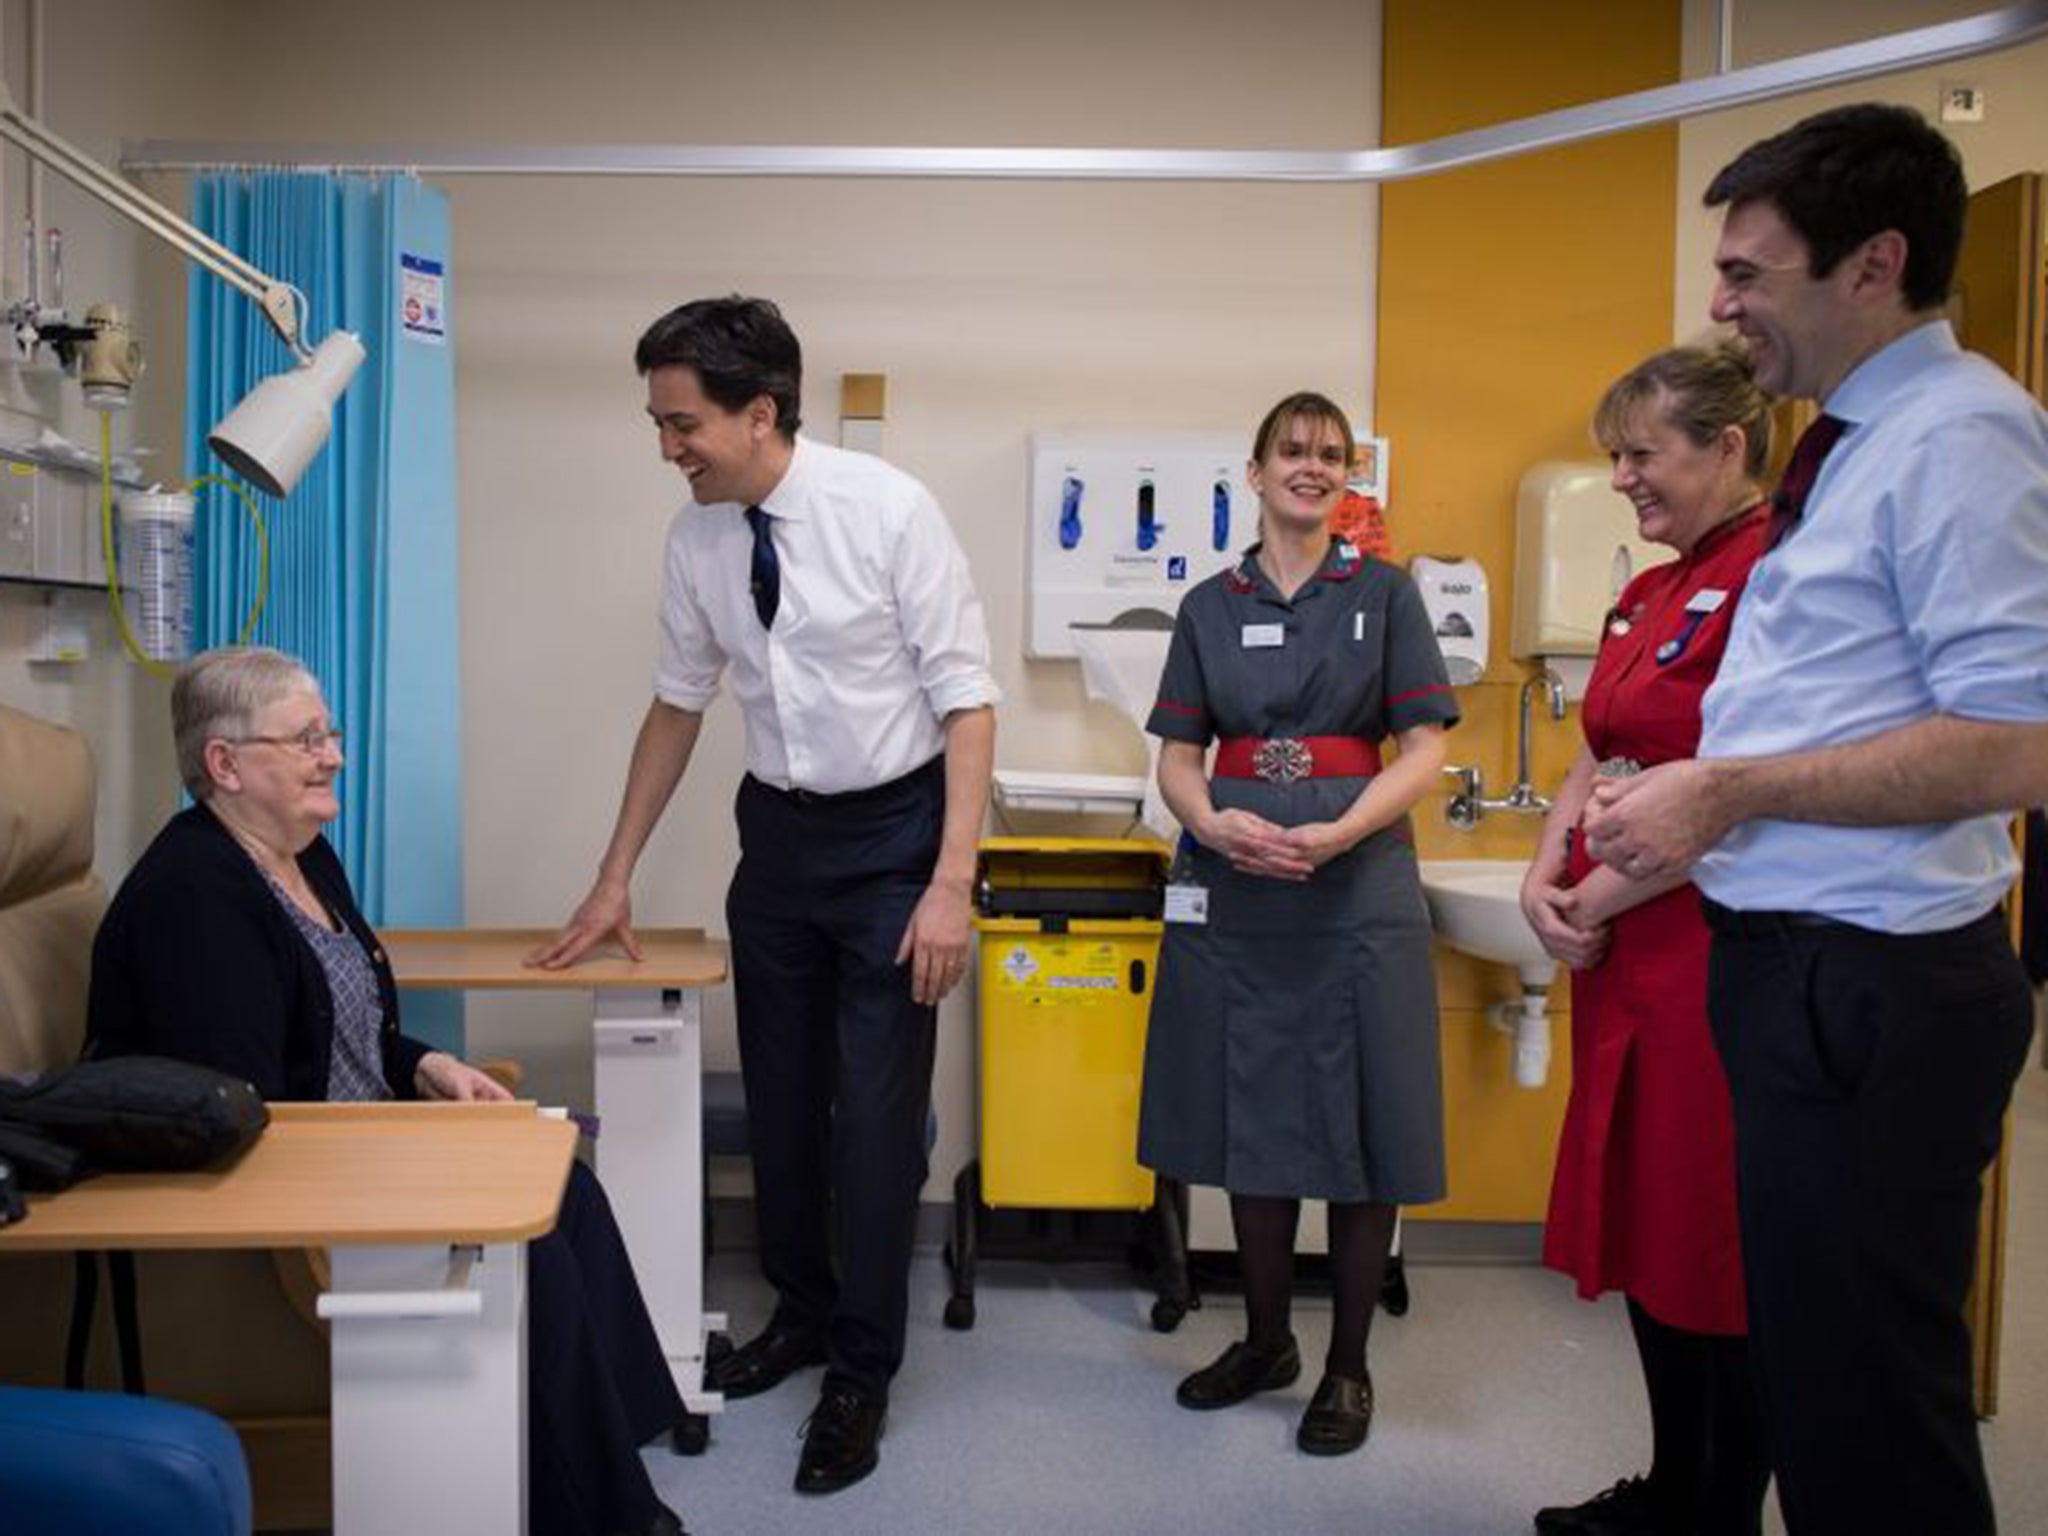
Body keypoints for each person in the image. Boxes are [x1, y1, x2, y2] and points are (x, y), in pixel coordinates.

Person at [1583, 104, 2048, 1536]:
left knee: (1869, 1408)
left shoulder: (1963, 440)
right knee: (1819, 1377)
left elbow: (2019, 743)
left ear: (1874, 265)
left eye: (1747, 274)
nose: (1721, 307)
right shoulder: (1851, 450)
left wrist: (1726, 791)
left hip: (1875, 980)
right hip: (1797, 961)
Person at [532, 295, 998, 1496]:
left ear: (759, 412)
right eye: (658, 423)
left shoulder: (886, 511)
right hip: (778, 843)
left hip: (896, 841)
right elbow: (677, 707)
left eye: (682, 422)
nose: (666, 446)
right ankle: (798, 1315)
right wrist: (614, 871)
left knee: (878, 1116)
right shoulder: (695, 541)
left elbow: (965, 702)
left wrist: (952, 883)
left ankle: (860, 1370)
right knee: (785, 1103)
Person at [84, 646, 689, 1536]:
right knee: (531, 1249)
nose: (332, 755)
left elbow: (348, 1027)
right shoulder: (195, 898)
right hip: (293, 1188)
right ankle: (605, 1515)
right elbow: (246, 1109)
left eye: (329, 734)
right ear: (225, 764)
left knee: (571, 1187)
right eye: (305, 740)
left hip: (363, 1143)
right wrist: (400, 1150)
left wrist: (426, 1066)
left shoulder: (304, 854)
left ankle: (603, 1455)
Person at [1137, 390, 1457, 1456]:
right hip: (1234, 886)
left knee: (1364, 1118)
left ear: (1345, 475)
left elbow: (1420, 751)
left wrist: (1336, 834)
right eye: (1293, 451)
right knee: (1251, 1108)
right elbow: (1178, 759)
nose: (1312, 467)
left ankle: (1347, 1366)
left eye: (1331, 454)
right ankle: (1265, 1340)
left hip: (1354, 889)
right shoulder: (1207, 607)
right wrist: (1212, 826)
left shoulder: (1386, 597)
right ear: (1257, 470)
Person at [1520, 345, 1773, 1536]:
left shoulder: (1774, 574)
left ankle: (1719, 1507)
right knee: (1641, 1229)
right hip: (1620, 964)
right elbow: (1598, 747)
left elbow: (1737, 785)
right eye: (1612, 455)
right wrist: (1542, 867)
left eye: (1642, 454)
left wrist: (1591, 897)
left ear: (1726, 446)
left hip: (1706, 957)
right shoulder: (1648, 589)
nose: (1621, 477)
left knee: (1709, 1245)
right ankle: (1672, 1485)